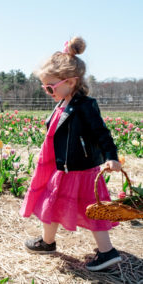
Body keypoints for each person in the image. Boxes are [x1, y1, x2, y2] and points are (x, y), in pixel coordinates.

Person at [19, 37, 122, 271]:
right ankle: (47, 242)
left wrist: (111, 156)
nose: (47, 92)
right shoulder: (62, 103)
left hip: (80, 168)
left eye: (50, 87)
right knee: (50, 202)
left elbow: (102, 133)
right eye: (44, 87)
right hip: (61, 167)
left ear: (71, 81)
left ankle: (107, 253)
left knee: (92, 208)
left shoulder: (85, 105)